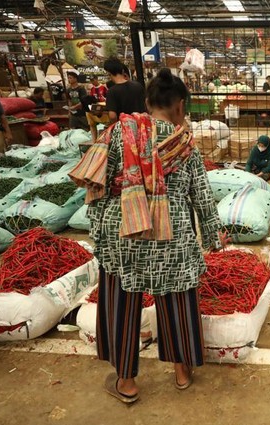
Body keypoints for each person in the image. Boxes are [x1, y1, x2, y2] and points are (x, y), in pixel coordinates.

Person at [68, 67, 223, 403]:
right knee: (177, 299)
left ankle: (126, 381)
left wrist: (100, 227)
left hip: (123, 229)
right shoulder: (184, 144)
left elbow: (93, 184)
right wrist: (213, 236)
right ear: (180, 105)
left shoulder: (115, 133)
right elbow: (203, 196)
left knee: (121, 302)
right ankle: (181, 371)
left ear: (147, 101)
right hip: (172, 232)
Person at [104, 58, 146, 123]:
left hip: (124, 128)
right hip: (141, 126)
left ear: (109, 73)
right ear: (123, 71)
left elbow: (113, 116)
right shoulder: (138, 86)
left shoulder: (112, 92)